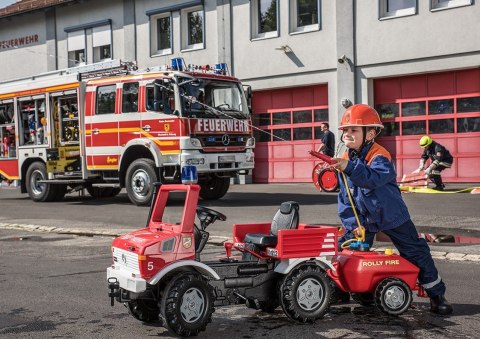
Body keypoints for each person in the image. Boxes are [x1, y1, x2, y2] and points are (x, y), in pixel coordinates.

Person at [330, 104, 453, 315]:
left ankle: (436, 294)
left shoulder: (380, 155)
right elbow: (346, 197)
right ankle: (345, 289)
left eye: (354, 130)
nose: (347, 134)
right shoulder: (346, 159)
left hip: (391, 214)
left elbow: (372, 179)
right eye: (345, 130)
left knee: (416, 251)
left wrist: (348, 167)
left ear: (370, 133)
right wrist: (352, 225)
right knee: (345, 250)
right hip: (363, 219)